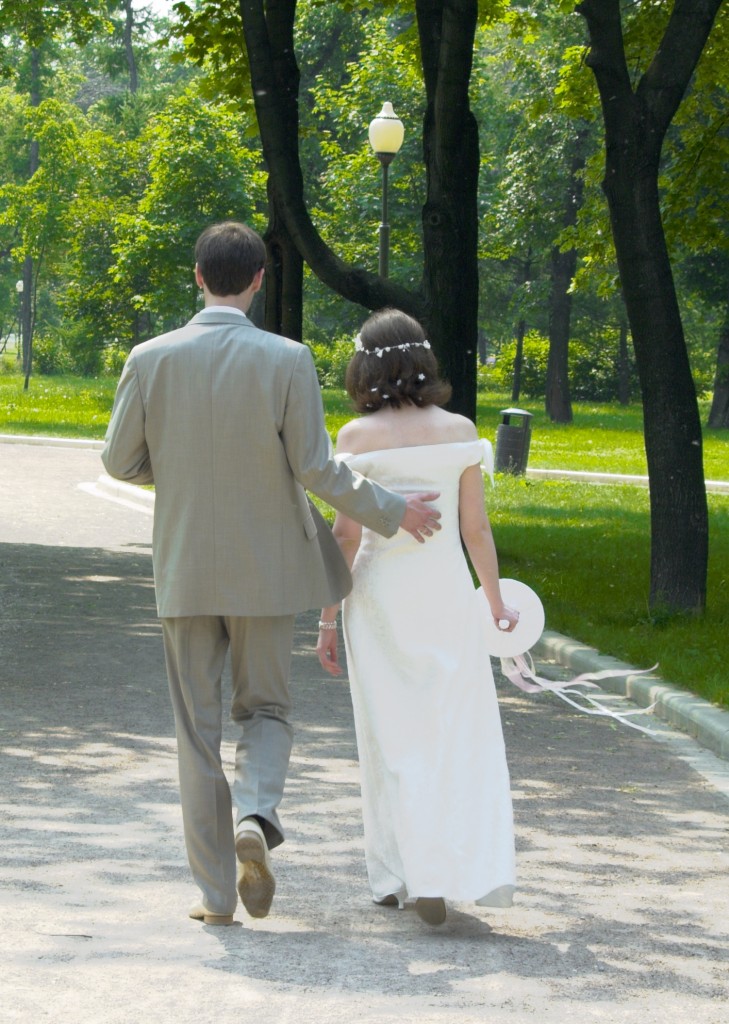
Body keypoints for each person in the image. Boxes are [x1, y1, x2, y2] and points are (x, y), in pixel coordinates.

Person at [101, 223, 441, 926]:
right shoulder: (287, 359)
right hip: (267, 571)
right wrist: (391, 510)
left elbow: (117, 462)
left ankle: (216, 896)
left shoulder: (148, 357)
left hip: (185, 567)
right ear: (259, 279)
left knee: (194, 732)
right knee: (267, 710)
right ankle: (255, 811)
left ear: (197, 275)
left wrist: (173, 471)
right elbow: (315, 468)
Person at [316, 308, 519, 927]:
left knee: (388, 735)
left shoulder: (355, 440)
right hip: (444, 592)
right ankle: (447, 869)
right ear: (424, 359)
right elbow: (474, 528)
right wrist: (495, 602)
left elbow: (346, 538)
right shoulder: (459, 430)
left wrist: (328, 618)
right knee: (453, 731)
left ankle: (399, 872)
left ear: (364, 364)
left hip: (380, 596)